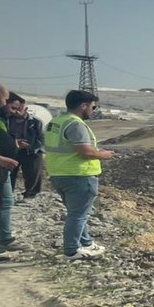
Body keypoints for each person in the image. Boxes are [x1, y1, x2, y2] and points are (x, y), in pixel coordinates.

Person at [43, 89, 114, 261]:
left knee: (76, 213)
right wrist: (103, 154)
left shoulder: (57, 121)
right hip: (78, 175)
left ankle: (87, 243)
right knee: (78, 215)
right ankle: (72, 250)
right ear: (83, 106)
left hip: (59, 174)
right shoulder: (75, 124)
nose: (93, 110)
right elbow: (85, 151)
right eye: (93, 107)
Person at [0, 83, 20, 256]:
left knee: (4, 203)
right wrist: (0, 159)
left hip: (0, 171)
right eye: (5, 99)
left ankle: (4, 240)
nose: (6, 103)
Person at [7, 93, 44, 199]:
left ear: (25, 108)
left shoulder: (35, 122)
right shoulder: (8, 120)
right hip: (13, 149)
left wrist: (31, 146)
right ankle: (8, 194)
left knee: (32, 173)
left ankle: (30, 194)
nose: (17, 111)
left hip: (31, 151)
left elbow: (41, 138)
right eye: (15, 109)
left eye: (19, 109)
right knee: (10, 173)